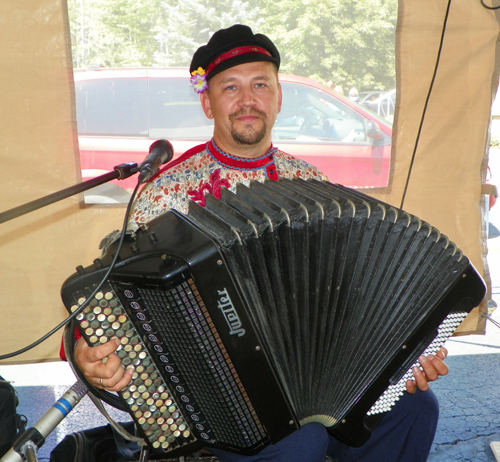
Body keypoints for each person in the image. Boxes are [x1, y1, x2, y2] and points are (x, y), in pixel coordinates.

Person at [71, 24, 449, 462]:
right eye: (230, 87)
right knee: (302, 443)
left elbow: (354, 294)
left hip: (316, 379)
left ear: (278, 97)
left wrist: (407, 350)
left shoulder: (312, 185)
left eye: (260, 85)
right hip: (217, 391)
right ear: (207, 101)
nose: (247, 99)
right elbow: (116, 301)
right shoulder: (163, 195)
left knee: (417, 408)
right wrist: (89, 352)